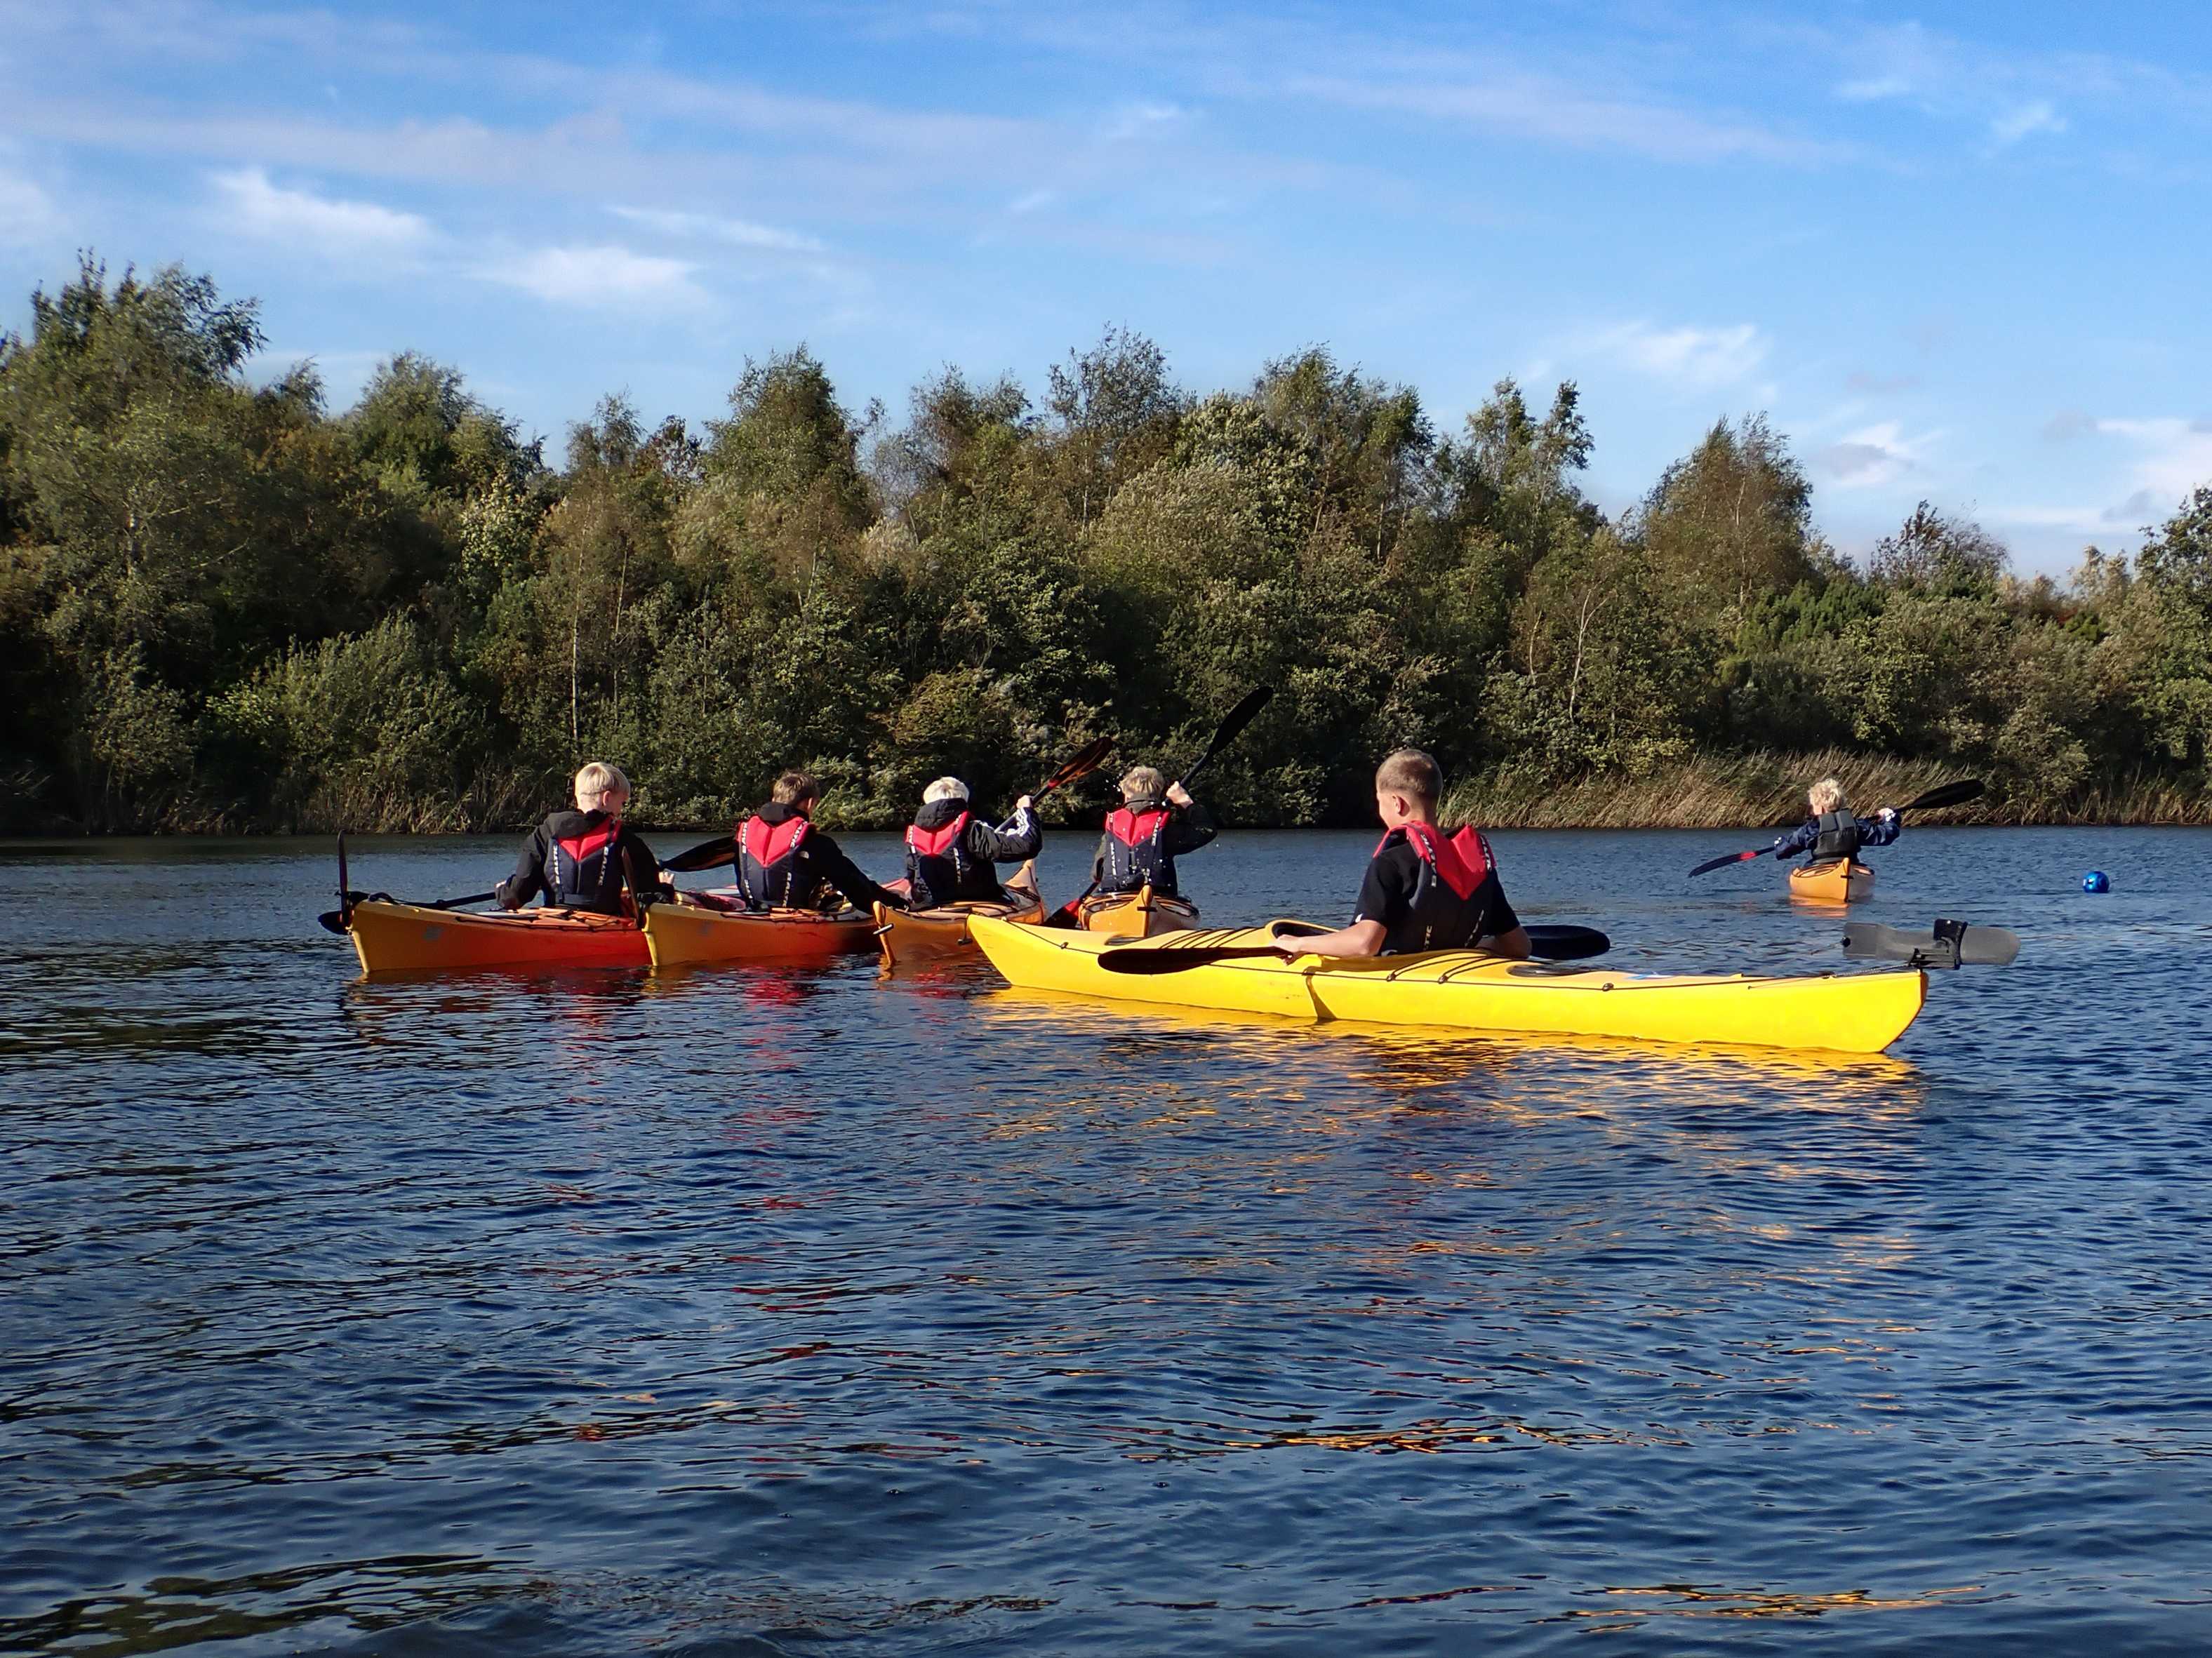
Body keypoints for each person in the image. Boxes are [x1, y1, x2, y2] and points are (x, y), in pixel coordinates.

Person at [1280, 747, 1529, 959]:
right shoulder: (1476, 867)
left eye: (1380, 802)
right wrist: (1470, 950)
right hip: (1455, 975)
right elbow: (1519, 947)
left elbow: (1365, 944)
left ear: (1397, 803)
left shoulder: (1391, 861)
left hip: (1400, 980)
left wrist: (1299, 944)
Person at [497, 761, 666, 916]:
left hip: (554, 922)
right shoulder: (624, 838)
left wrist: (504, 891)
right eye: (622, 803)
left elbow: (516, 897)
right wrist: (665, 887)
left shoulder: (545, 832)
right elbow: (649, 898)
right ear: (607, 798)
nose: (621, 810)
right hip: (604, 925)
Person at [727, 770, 906, 914]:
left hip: (754, 913)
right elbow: (856, 887)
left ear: (774, 799)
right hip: (797, 918)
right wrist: (898, 905)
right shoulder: (815, 842)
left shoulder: (742, 836)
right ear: (810, 803)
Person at [904, 777, 1041, 909]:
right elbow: (1027, 844)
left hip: (932, 906)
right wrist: (1026, 810)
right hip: (981, 903)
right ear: (963, 800)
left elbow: (913, 878)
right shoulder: (972, 830)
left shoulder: (914, 836)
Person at [1092, 766, 1216, 897]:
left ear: (1127, 795)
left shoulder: (1113, 826)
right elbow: (1206, 831)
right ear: (1158, 793)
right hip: (1158, 898)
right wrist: (1185, 801)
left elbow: (1097, 873)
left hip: (1116, 898)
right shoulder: (1164, 827)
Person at [1768, 776, 1900, 864]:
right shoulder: (1857, 826)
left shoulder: (1811, 830)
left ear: (1819, 806)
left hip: (1821, 870)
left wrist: (1780, 844)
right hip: (1850, 868)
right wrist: (1890, 818)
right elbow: (1888, 835)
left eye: (1814, 806)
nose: (1813, 810)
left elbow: (1784, 851)